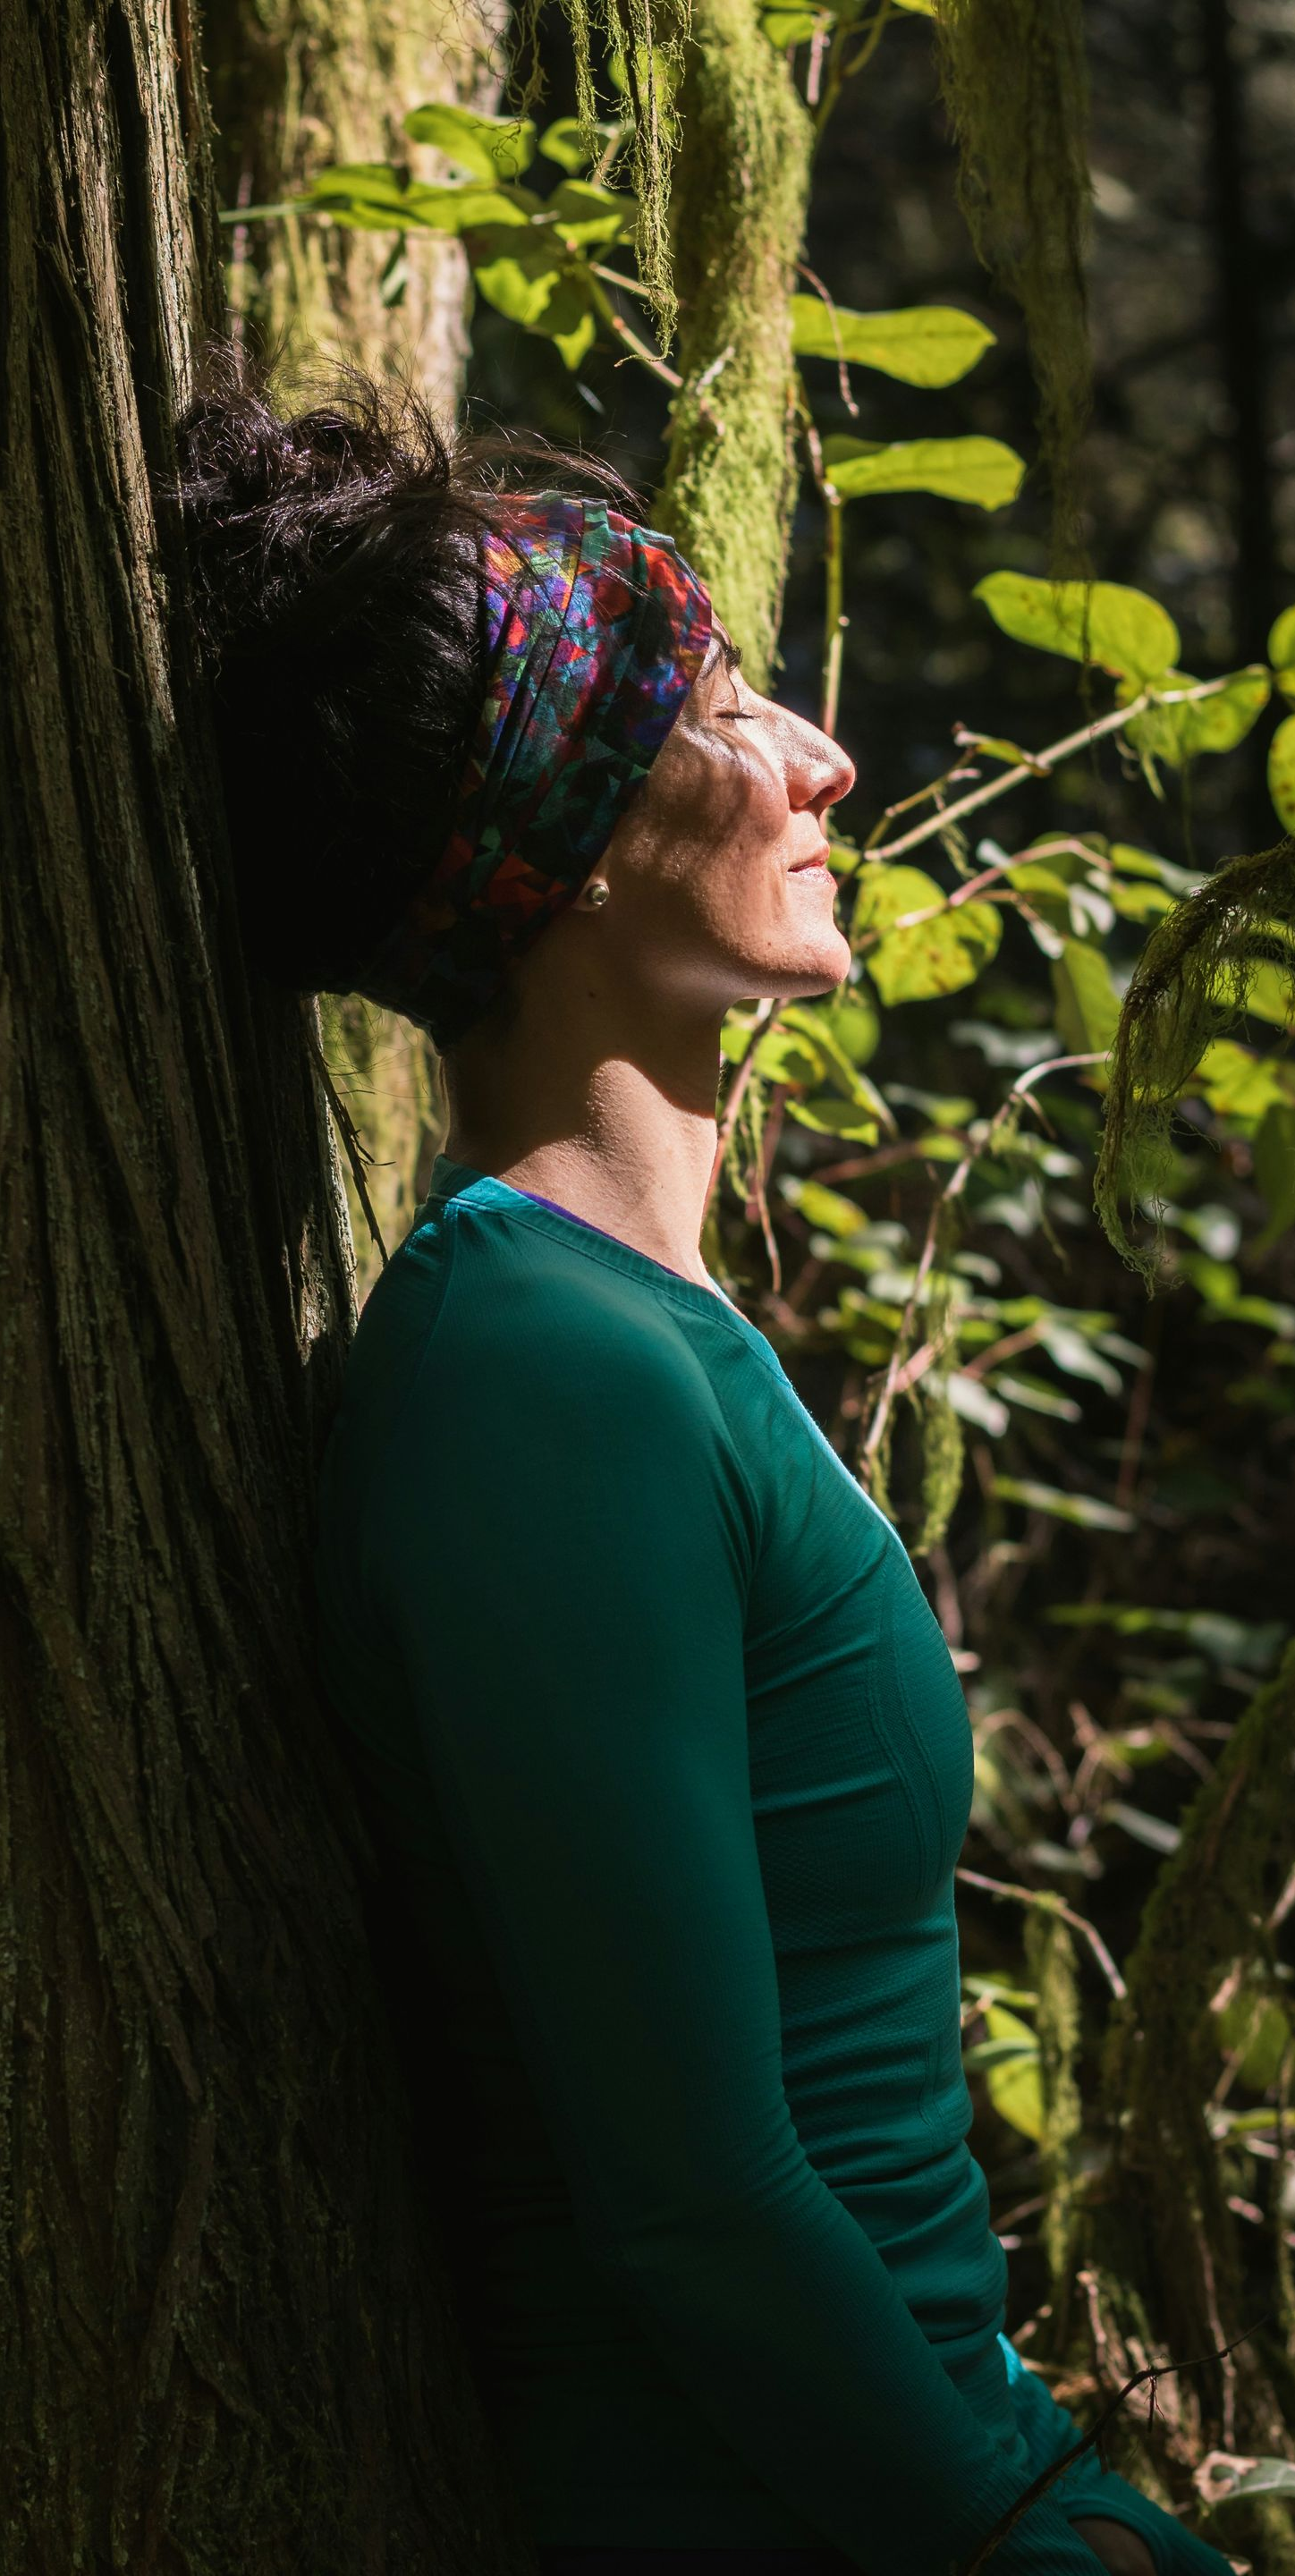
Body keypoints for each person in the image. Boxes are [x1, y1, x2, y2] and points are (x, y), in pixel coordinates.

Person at [173, 350, 1234, 2576]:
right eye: (723, 716)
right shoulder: (528, 1378)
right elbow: (689, 2204)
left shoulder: (623, 1336)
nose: (823, 756)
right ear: (557, 848)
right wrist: (1030, 2539)